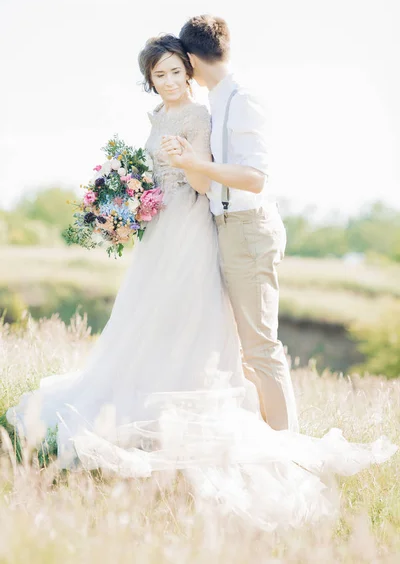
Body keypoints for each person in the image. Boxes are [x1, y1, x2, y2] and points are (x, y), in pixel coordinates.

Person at [6, 32, 396, 531]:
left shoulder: (198, 117)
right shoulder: (158, 117)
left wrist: (186, 160)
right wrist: (124, 207)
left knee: (190, 320)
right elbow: (153, 178)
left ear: (189, 72)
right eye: (159, 75)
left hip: (191, 229)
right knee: (146, 321)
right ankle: (141, 409)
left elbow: (203, 183)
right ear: (149, 80)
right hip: (158, 233)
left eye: (175, 72)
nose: (168, 81)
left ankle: (199, 427)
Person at [161, 15, 298, 431]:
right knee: (238, 349)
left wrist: (195, 163)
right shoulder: (218, 99)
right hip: (225, 226)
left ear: (191, 59)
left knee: (260, 348)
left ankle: (286, 447)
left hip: (249, 227)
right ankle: (262, 436)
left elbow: (255, 178)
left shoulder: (243, 98)